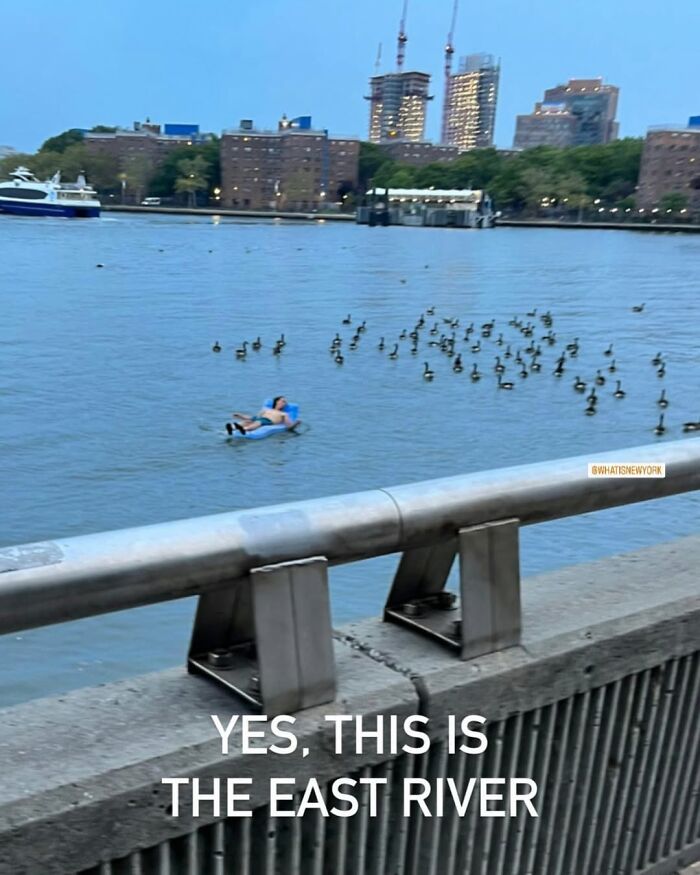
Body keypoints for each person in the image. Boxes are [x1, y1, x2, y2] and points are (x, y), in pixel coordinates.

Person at [226, 396, 293, 435]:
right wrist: (242, 416)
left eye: (285, 402)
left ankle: (243, 429)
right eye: (283, 401)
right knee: (248, 421)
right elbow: (256, 417)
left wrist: (295, 424)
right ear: (277, 401)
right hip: (260, 419)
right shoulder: (266, 409)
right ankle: (232, 428)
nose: (285, 403)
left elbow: (289, 425)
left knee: (258, 422)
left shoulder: (283, 414)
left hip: (268, 421)